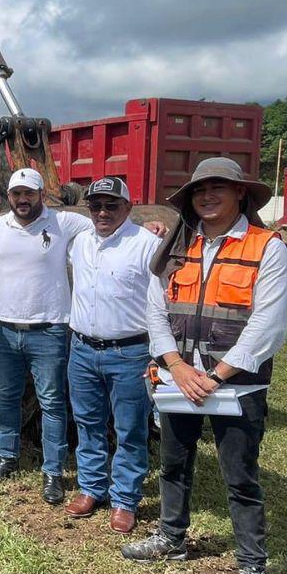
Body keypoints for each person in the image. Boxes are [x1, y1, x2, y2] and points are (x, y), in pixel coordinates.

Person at [123, 157, 287, 574]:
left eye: (219, 188)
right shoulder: (179, 247)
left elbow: (268, 326)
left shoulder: (267, 248)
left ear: (242, 195)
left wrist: (217, 376)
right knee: (174, 465)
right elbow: (156, 310)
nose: (207, 196)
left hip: (235, 387)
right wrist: (176, 366)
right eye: (200, 190)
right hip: (180, 381)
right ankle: (172, 537)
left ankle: (252, 568)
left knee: (241, 477)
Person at [0, 168, 94, 504]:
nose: (22, 200)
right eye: (16, 194)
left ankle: (53, 471)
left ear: (41, 195)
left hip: (49, 330)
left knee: (52, 403)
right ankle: (7, 458)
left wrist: (153, 227)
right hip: (5, 329)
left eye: (29, 194)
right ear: (10, 196)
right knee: (8, 398)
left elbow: (109, 225)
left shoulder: (64, 222)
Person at [63, 177, 161, 533]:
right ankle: (91, 488)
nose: (102, 212)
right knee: (87, 424)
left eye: (111, 205)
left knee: (130, 429)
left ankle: (124, 499)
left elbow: (163, 300)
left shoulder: (148, 244)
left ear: (128, 208)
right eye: (95, 206)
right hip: (82, 350)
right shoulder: (79, 241)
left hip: (131, 352)